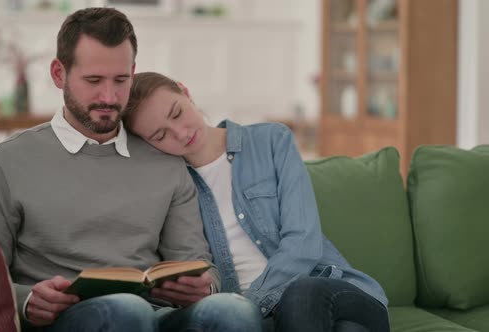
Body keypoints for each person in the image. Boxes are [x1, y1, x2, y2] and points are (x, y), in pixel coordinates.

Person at [0, 8, 262, 332]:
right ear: (59, 74)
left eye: (121, 81)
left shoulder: (165, 162)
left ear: (133, 73)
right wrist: (27, 299)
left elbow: (197, 262)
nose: (109, 96)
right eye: (93, 81)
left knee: (234, 311)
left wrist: (206, 285)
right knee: (127, 310)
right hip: (65, 322)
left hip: (156, 317)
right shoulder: (8, 162)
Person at [124, 72, 391, 332]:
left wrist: (251, 304)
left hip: (325, 291)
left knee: (302, 294)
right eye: (160, 136)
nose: (180, 133)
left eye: (177, 113)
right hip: (262, 321)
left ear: (185, 92)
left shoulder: (272, 140)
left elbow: (303, 241)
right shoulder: (172, 187)